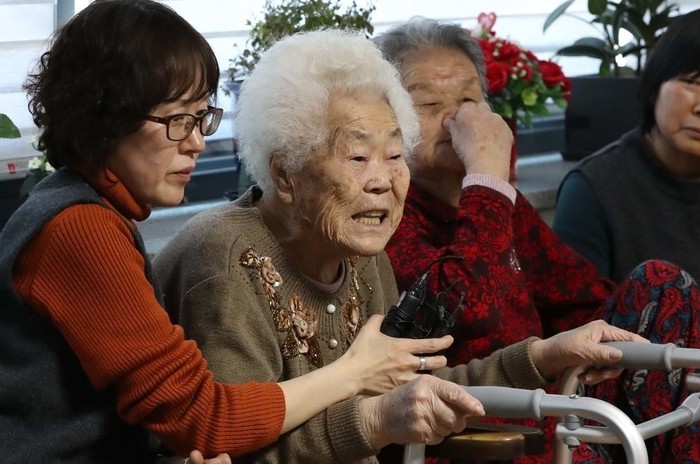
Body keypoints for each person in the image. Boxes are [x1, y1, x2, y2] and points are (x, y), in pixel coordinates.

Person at [0, 2, 485, 462]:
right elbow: (203, 419)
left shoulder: (87, 215)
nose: (195, 143)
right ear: (106, 118)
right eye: (176, 121)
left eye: (202, 118)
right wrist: (357, 372)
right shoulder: (79, 229)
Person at [151, 29, 645, 464]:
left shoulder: (362, 256)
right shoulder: (226, 259)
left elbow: (414, 388)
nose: (383, 181)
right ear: (285, 173)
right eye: (358, 156)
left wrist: (543, 356)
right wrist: (373, 423)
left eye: (394, 155)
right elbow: (230, 449)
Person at [375, 17, 700, 464]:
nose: (456, 119)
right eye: (428, 103)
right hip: (483, 426)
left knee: (662, 284)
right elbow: (470, 313)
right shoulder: (385, 212)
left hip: (558, 402)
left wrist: (691, 340)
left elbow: (582, 299)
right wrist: (486, 173)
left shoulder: (504, 203)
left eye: (469, 99)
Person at [553, 5, 700, 459]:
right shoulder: (595, 189)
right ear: (655, 84)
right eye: (691, 81)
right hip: (650, 425)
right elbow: (573, 338)